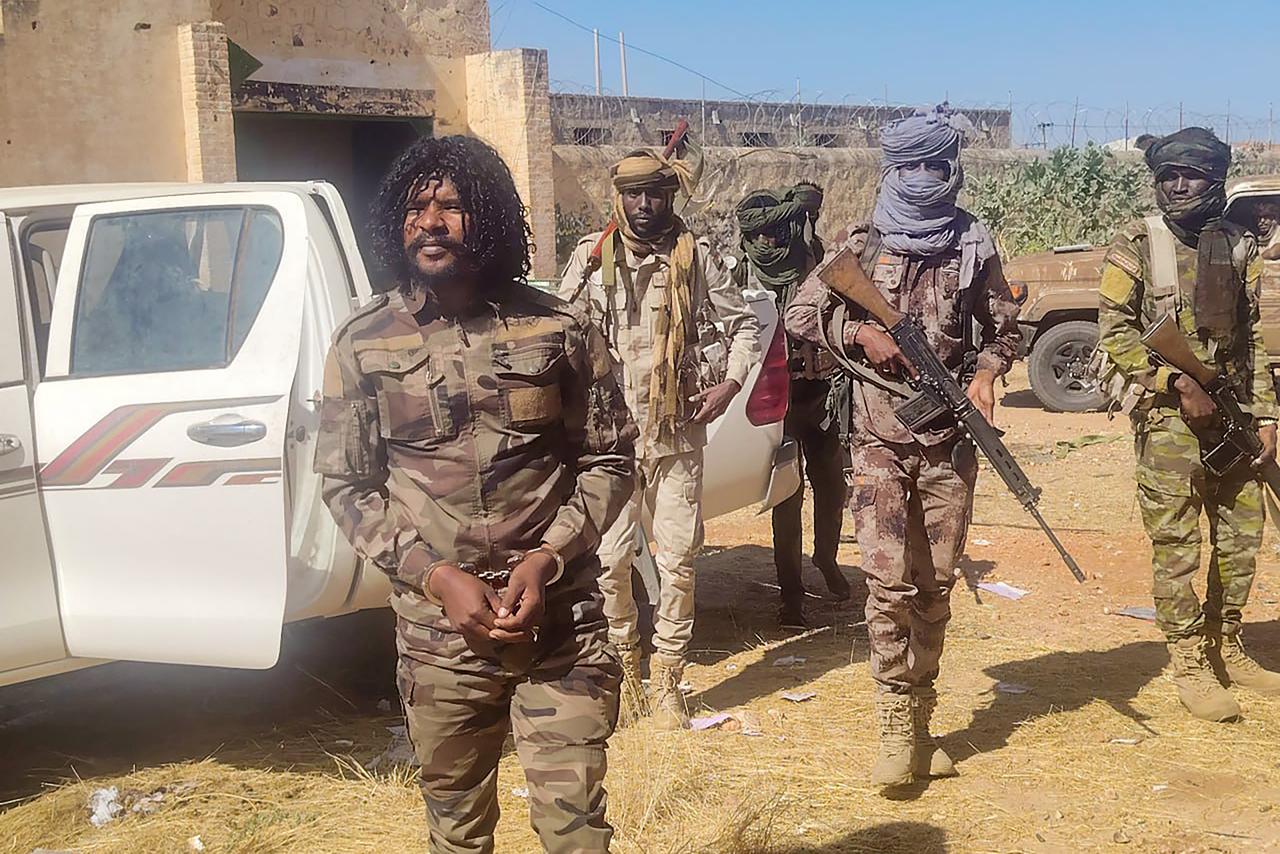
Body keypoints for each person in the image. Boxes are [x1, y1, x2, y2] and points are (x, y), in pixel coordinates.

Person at [314, 134, 637, 852]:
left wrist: (546, 560)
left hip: (561, 626)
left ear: (487, 217)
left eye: (453, 206)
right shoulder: (362, 343)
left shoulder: (559, 328)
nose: (431, 221)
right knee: (457, 830)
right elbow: (348, 485)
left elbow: (611, 458)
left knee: (576, 827)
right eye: (415, 207)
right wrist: (437, 578)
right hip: (441, 640)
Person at [785, 106, 1021, 788]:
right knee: (886, 587)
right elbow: (803, 315)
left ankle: (923, 717)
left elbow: (1007, 328)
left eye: (935, 166)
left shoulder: (973, 242)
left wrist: (984, 375)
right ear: (891, 170)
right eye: (910, 166)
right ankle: (894, 722)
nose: (923, 178)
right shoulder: (861, 242)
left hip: (948, 444)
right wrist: (863, 336)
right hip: (878, 444)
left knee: (935, 588)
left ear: (953, 169)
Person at [560, 142, 761, 729]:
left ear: (671, 196)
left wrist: (730, 382)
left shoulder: (695, 257)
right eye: (634, 193)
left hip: (676, 433)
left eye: (657, 193)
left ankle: (668, 677)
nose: (645, 205)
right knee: (610, 560)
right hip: (610, 440)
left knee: (676, 561)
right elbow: (558, 329)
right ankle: (625, 667)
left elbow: (743, 321)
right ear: (618, 197)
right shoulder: (592, 258)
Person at [1097, 127, 1280, 723]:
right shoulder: (1135, 242)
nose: (1179, 186)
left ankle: (1228, 644)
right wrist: (1176, 383)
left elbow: (1254, 338)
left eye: (1192, 175)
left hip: (1233, 414)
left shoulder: (1239, 244)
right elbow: (1115, 334)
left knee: (1240, 539)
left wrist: (1266, 415)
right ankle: (1189, 661)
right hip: (1170, 421)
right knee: (1177, 544)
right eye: (1169, 175)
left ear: (1215, 178)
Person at [733, 183, 850, 629]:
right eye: (762, 236)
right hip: (773, 405)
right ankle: (792, 597)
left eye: (778, 233)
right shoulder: (741, 276)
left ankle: (826, 557)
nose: (770, 243)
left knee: (832, 488)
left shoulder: (812, 265)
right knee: (787, 497)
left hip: (818, 394)